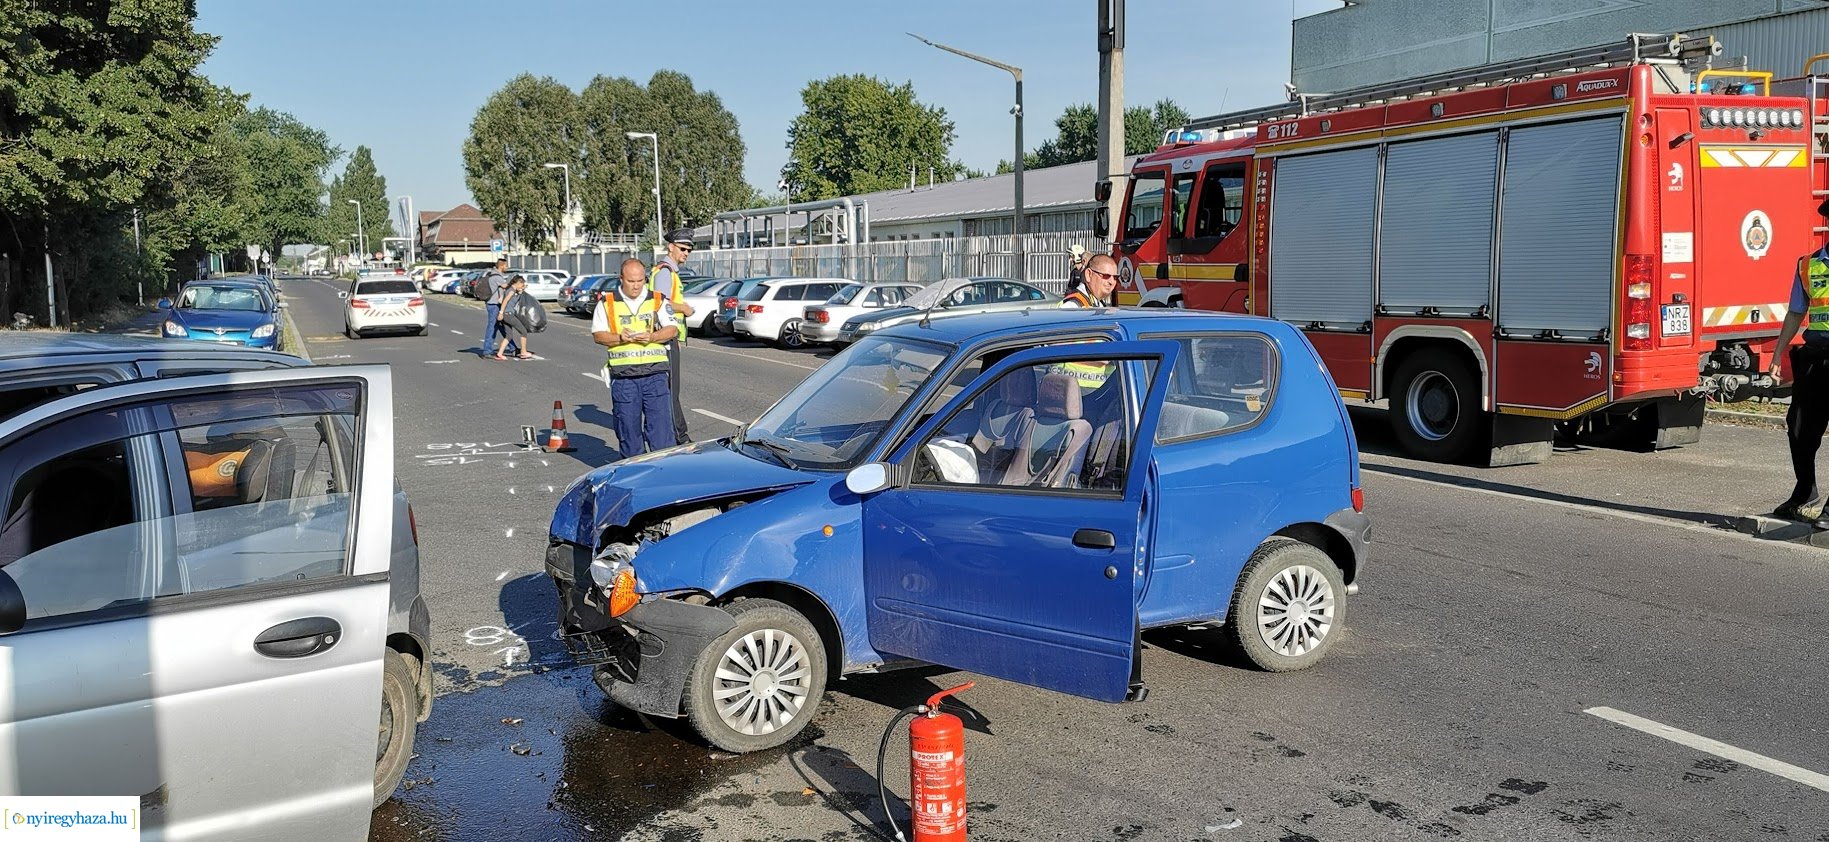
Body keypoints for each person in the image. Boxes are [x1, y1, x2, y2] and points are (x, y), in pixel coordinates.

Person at [1768, 197, 1829, 523]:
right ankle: (1805, 491)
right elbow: (1796, 312)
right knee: (1799, 427)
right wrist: (1778, 353)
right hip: (1814, 360)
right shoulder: (1809, 264)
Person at [595, 258, 679, 457]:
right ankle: (633, 478)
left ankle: (663, 477)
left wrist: (652, 336)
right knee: (629, 434)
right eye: (631, 281)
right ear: (621, 279)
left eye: (640, 280)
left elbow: (672, 329)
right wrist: (619, 338)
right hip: (625, 378)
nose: (636, 286)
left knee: (662, 436)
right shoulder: (607, 303)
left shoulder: (658, 300)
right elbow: (598, 335)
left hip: (655, 375)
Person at [649, 229, 698, 444]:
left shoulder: (670, 272)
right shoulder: (665, 272)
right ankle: (680, 437)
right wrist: (684, 309)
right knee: (670, 390)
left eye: (689, 249)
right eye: (683, 248)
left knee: (670, 389)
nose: (686, 252)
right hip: (665, 338)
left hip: (669, 336)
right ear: (671, 247)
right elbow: (661, 302)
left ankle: (674, 433)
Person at [479, 258, 520, 357]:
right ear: (501, 266)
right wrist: (513, 279)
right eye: (506, 266)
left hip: (495, 304)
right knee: (492, 327)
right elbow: (505, 286)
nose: (507, 267)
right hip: (494, 305)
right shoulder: (496, 276)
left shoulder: (494, 274)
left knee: (502, 327)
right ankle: (487, 351)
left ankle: (513, 347)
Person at [491, 275, 536, 360]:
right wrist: (501, 313)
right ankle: (523, 352)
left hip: (506, 314)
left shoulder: (511, 290)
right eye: (522, 285)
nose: (523, 286)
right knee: (523, 331)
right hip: (508, 314)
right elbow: (504, 301)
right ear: (517, 283)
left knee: (509, 335)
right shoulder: (511, 291)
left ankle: (499, 354)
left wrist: (520, 291)